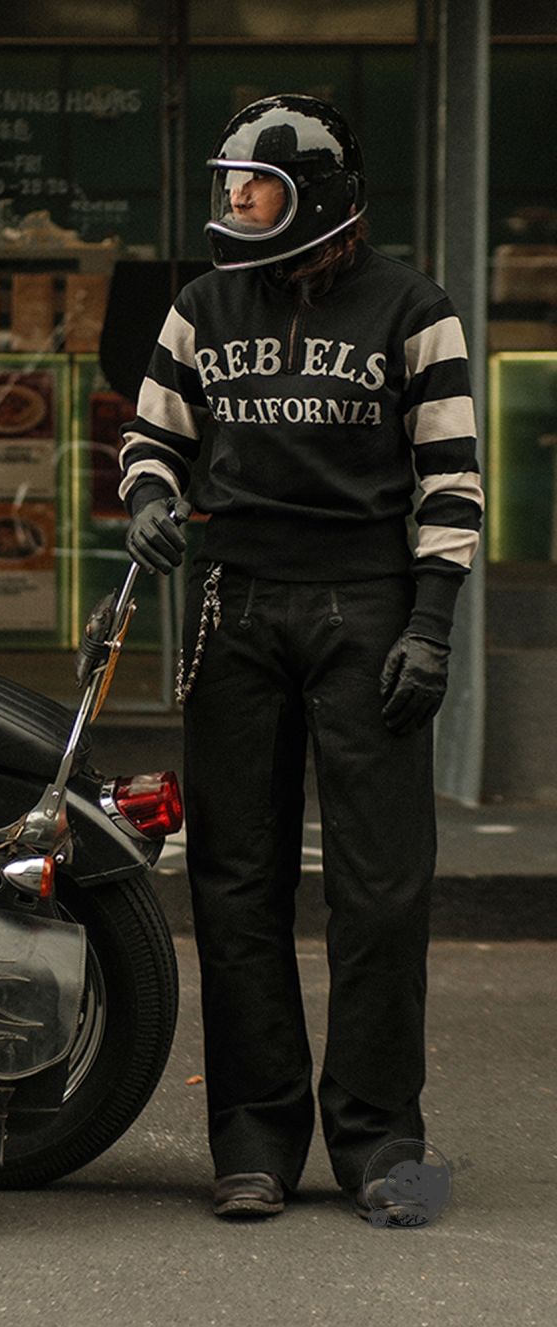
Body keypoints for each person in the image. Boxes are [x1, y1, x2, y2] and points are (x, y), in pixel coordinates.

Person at [119, 94, 483, 1222]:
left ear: (317, 200)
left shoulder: (415, 309)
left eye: (256, 189)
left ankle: (382, 1145)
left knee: (381, 892)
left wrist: (431, 626)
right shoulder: (200, 305)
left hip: (370, 610)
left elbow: (453, 480)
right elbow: (152, 438)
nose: (234, 204)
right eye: (231, 186)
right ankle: (253, 1140)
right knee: (235, 884)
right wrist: (148, 499)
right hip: (234, 606)